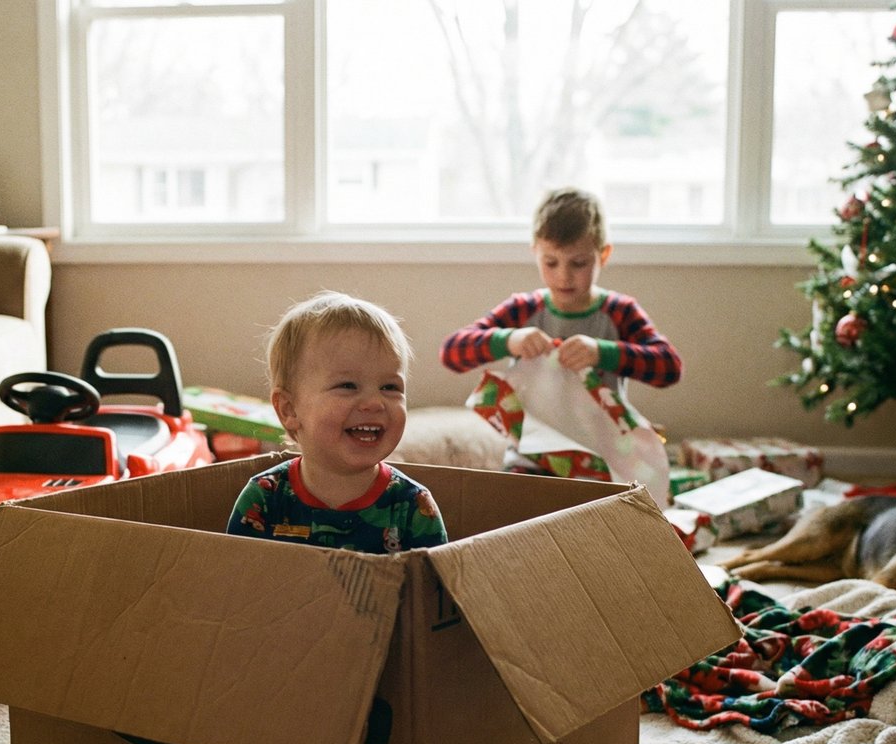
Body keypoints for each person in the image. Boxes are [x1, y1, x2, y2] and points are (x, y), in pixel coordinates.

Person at [439, 187, 682, 475]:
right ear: (535, 253)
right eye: (550, 262)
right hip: (531, 458)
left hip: (602, 459)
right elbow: (452, 353)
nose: (564, 276)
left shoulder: (620, 312)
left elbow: (669, 367)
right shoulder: (523, 309)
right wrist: (509, 340)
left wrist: (601, 352)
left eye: (578, 263)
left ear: (603, 255)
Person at [226, 291, 448, 553]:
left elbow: (435, 590)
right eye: (348, 385)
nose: (375, 403)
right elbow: (237, 582)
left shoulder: (412, 506)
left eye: (390, 386)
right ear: (289, 410)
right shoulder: (265, 498)